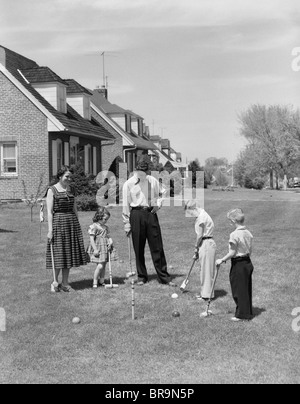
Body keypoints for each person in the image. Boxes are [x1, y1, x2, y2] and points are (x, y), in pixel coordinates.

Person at [122, 159, 176, 286]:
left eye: (145, 173)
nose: (143, 176)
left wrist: (158, 204)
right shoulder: (128, 184)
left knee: (157, 246)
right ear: (136, 171)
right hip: (136, 215)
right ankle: (142, 277)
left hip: (151, 213)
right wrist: (126, 223)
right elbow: (125, 204)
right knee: (138, 248)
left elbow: (164, 192)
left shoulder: (152, 180)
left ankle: (164, 277)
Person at [46, 166, 87, 293]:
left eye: (70, 177)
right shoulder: (52, 190)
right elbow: (49, 212)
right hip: (58, 222)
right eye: (66, 176)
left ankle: (65, 283)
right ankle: (55, 282)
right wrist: (50, 230)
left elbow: (74, 207)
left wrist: (77, 222)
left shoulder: (71, 189)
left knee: (68, 254)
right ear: (60, 176)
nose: (69, 179)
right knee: (59, 254)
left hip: (71, 223)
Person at [216, 208, 254, 322]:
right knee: (246, 288)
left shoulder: (234, 234)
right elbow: (250, 250)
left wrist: (221, 260)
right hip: (247, 262)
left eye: (230, 221)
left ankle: (241, 314)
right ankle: (246, 311)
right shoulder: (248, 233)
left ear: (233, 221)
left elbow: (232, 253)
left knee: (238, 289)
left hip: (239, 264)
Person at [185, 200, 217, 300]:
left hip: (206, 243)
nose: (191, 216)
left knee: (206, 271)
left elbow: (200, 235)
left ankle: (206, 295)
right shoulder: (203, 214)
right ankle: (205, 293)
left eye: (190, 213)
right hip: (206, 243)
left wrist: (196, 248)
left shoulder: (201, 217)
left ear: (194, 209)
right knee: (204, 270)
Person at [87, 206, 118, 288]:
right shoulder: (94, 226)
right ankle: (95, 281)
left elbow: (108, 236)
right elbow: (91, 239)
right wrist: (95, 249)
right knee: (100, 265)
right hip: (98, 248)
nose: (106, 221)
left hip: (105, 248)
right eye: (105, 219)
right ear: (99, 217)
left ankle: (102, 281)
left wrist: (110, 240)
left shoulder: (106, 227)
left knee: (103, 265)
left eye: (107, 219)